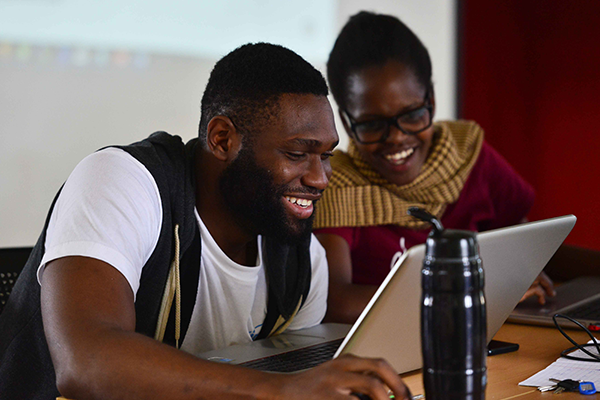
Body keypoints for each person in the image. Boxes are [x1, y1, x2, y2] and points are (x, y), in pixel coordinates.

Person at [0, 43, 411, 400]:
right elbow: (85, 363)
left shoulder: (302, 258)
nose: (320, 178)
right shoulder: (123, 181)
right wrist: (286, 390)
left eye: (326, 155)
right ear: (222, 139)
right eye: (297, 153)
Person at [313, 11, 555, 324]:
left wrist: (525, 275)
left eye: (412, 114)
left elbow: (521, 239)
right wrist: (470, 292)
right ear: (346, 121)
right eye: (372, 124)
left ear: (431, 100)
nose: (397, 138)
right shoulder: (337, 185)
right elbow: (337, 302)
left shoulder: (468, 155)